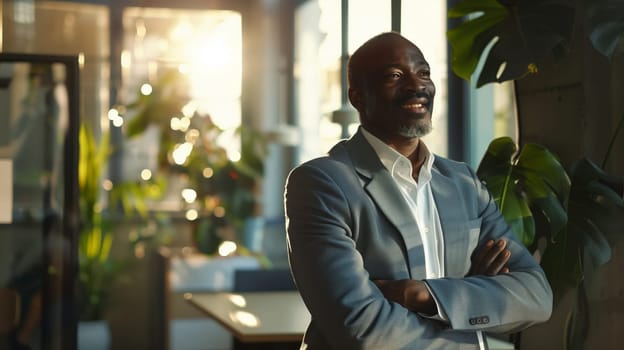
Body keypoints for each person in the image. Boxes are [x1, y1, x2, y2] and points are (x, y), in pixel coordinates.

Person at [284, 32, 553, 350]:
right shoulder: (322, 183)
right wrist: (467, 298)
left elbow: (536, 296)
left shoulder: (462, 182)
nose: (417, 86)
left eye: (423, 72)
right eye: (394, 76)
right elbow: (362, 329)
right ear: (357, 96)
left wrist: (421, 295)